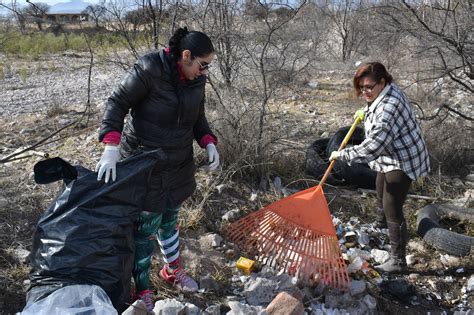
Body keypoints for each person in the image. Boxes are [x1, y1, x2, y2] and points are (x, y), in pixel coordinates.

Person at [95, 27, 219, 311]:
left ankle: (171, 270)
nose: (204, 72)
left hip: (177, 163)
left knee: (169, 219)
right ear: (186, 56)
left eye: (208, 66)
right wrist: (111, 146)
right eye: (202, 65)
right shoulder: (150, 68)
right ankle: (142, 289)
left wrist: (208, 142)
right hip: (144, 162)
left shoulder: (196, 81)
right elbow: (118, 101)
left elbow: (197, 118)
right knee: (145, 229)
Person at [329, 62, 430, 273]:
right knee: (379, 185)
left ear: (382, 82)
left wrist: (343, 154)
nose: (364, 92)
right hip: (391, 153)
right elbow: (378, 127)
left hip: (403, 158)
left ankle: (398, 261)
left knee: (392, 204)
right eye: (361, 87)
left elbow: (374, 147)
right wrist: (366, 113)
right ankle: (381, 223)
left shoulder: (388, 108)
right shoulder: (384, 92)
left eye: (369, 87)